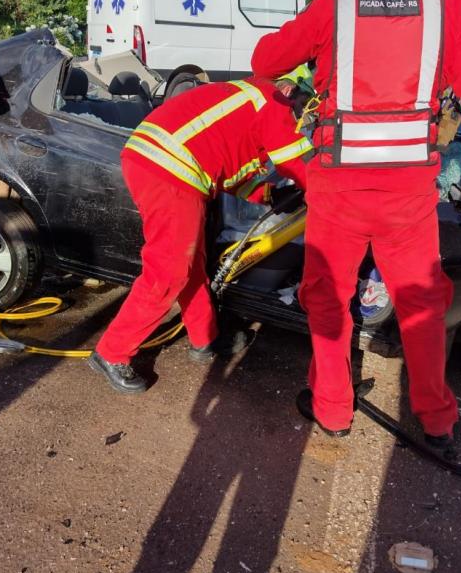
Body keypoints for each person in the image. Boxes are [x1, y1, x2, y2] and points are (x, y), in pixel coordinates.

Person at [251, 0, 461, 450]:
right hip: (410, 192)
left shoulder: (333, 9)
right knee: (420, 301)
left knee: (326, 297)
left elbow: (266, 60)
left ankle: (333, 410)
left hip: (338, 187)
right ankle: (438, 422)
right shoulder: (448, 10)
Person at [89, 77, 313, 393]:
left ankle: (205, 338)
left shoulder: (249, 110)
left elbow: (236, 175)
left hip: (163, 162)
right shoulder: (274, 100)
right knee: (169, 271)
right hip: (170, 168)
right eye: (300, 113)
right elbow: (298, 161)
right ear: (289, 92)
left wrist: (271, 195)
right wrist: (328, 190)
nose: (298, 122)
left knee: (191, 264)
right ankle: (111, 352)